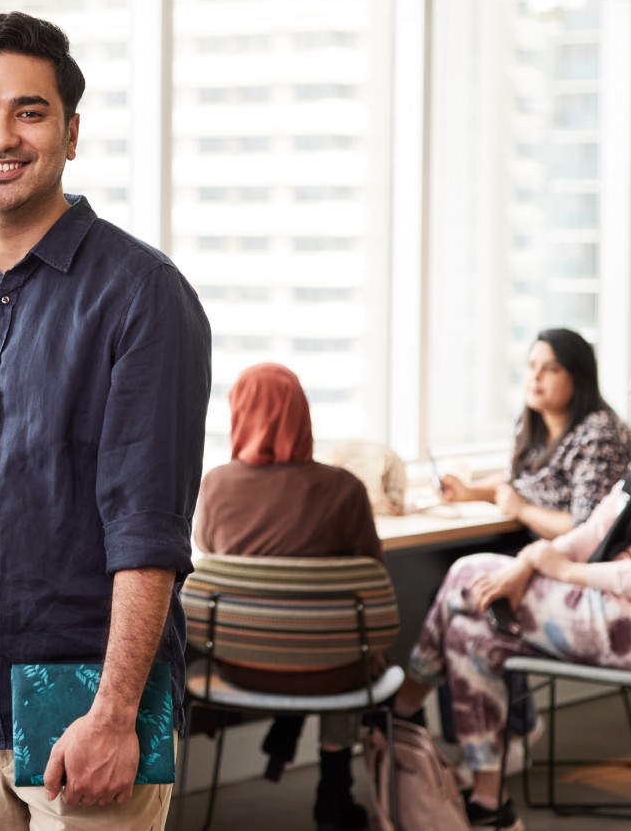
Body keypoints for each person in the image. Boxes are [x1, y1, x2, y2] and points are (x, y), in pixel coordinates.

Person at [0, 12, 212, 830]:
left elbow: (147, 529)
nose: (0, 136)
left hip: (86, 706)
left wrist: (117, 712)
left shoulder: (142, 295)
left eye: (30, 110)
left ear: (72, 132)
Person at [194, 362, 383, 831]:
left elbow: (210, 558)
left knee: (309, 641)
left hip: (241, 668)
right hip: (331, 674)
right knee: (349, 646)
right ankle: (334, 791)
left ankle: (286, 730)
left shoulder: (214, 487)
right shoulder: (345, 490)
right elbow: (372, 580)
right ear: (303, 415)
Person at [394, 469, 631, 831]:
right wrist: (527, 563)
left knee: (467, 572)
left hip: (620, 623)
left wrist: (564, 571)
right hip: (598, 603)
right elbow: (592, 532)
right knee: (469, 632)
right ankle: (490, 802)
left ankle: (403, 705)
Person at [438, 328, 631, 538]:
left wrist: (522, 510)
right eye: (531, 366)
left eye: (551, 368)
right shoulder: (531, 422)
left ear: (578, 377)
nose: (536, 376)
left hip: (578, 561)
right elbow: (518, 482)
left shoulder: (600, 433)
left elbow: (586, 528)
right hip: (538, 546)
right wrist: (468, 491)